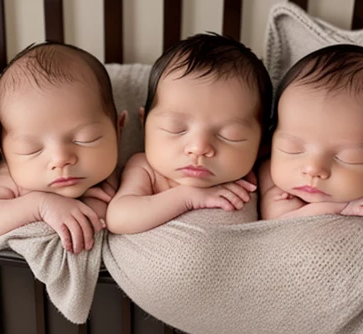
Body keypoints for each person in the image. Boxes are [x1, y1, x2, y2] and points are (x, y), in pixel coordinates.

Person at [105, 33, 271, 234]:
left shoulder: (256, 174)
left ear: (261, 143)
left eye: (230, 135)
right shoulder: (146, 170)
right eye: (175, 128)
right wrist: (187, 197)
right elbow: (119, 218)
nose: (198, 148)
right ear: (144, 124)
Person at [0, 42, 126, 253]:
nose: (61, 158)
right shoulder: (11, 179)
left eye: (86, 138)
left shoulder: (113, 168)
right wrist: (40, 205)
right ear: (4, 153)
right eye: (31, 149)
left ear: (118, 130)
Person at [259, 45, 363, 221]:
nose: (313, 169)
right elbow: (277, 222)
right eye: (292, 149)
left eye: (349, 158)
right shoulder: (267, 174)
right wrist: (339, 207)